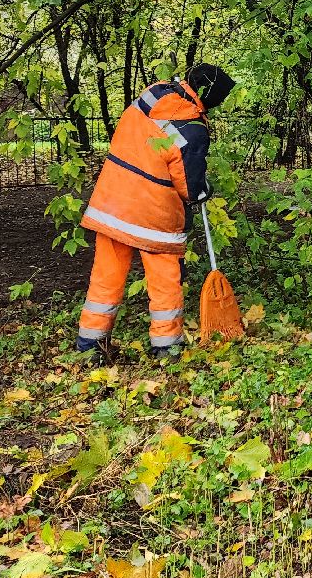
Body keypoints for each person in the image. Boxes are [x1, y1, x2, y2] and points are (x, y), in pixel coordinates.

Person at [76, 64, 234, 362]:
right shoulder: (193, 128)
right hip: (153, 215)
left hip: (112, 203)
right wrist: (203, 190)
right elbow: (189, 186)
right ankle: (166, 347)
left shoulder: (154, 95)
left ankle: (90, 346)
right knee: (164, 280)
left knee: (105, 276)